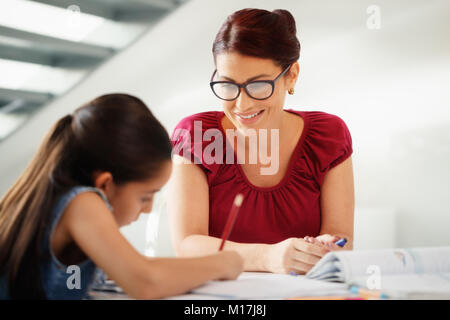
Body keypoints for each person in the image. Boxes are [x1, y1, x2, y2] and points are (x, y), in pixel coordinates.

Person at [0, 94, 243, 300]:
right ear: (105, 184)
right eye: (146, 197)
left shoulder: (62, 202)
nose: (148, 210)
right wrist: (222, 264)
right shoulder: (81, 202)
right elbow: (145, 280)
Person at [168, 8, 354, 275]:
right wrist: (267, 257)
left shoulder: (329, 135)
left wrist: (327, 248)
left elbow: (340, 238)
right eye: (227, 84)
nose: (242, 105)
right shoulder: (196, 134)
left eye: (257, 86)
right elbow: (187, 244)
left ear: (292, 75)